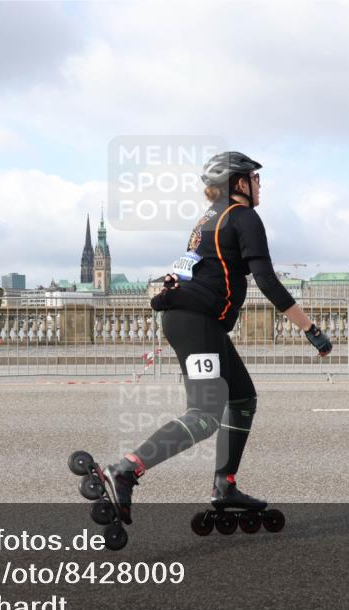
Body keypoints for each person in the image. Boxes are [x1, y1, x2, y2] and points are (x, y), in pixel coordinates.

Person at [101, 151, 332, 524]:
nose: (260, 185)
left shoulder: (210, 217)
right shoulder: (243, 216)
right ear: (239, 183)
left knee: (242, 397)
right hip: (196, 322)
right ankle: (126, 469)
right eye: (255, 178)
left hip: (196, 320)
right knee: (205, 416)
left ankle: (225, 485)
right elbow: (268, 281)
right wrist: (312, 330)